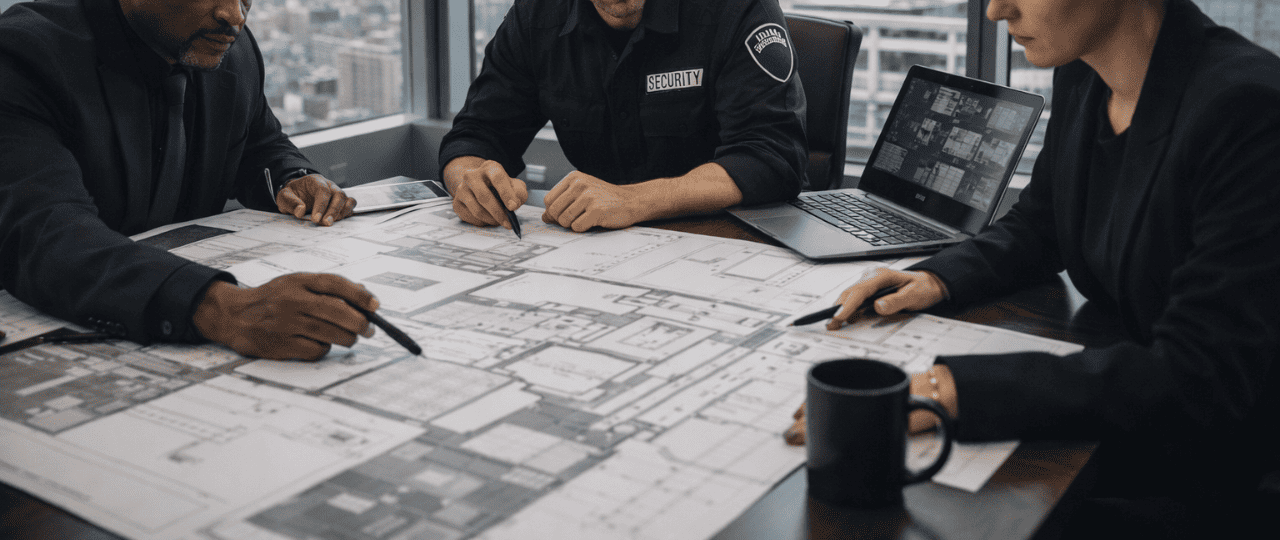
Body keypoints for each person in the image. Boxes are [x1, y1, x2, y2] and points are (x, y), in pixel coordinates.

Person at [785, 0, 1279, 535]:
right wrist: (937, 277)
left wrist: (946, 390)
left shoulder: (1250, 109)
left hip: (1206, 469)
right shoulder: (1085, 75)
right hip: (1120, 400)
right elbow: (1044, 222)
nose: (997, 10)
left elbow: (1200, 375)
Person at [0, 0, 378, 361]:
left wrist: (292, 176)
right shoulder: (22, 53)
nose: (234, 16)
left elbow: (257, 143)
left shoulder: (229, 47)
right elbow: (44, 231)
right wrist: (221, 308)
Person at [438, 0, 808, 233]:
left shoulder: (736, 7)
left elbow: (770, 157)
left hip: (727, 239)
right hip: (601, 246)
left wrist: (633, 201)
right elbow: (478, 132)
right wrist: (468, 180)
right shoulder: (537, 14)